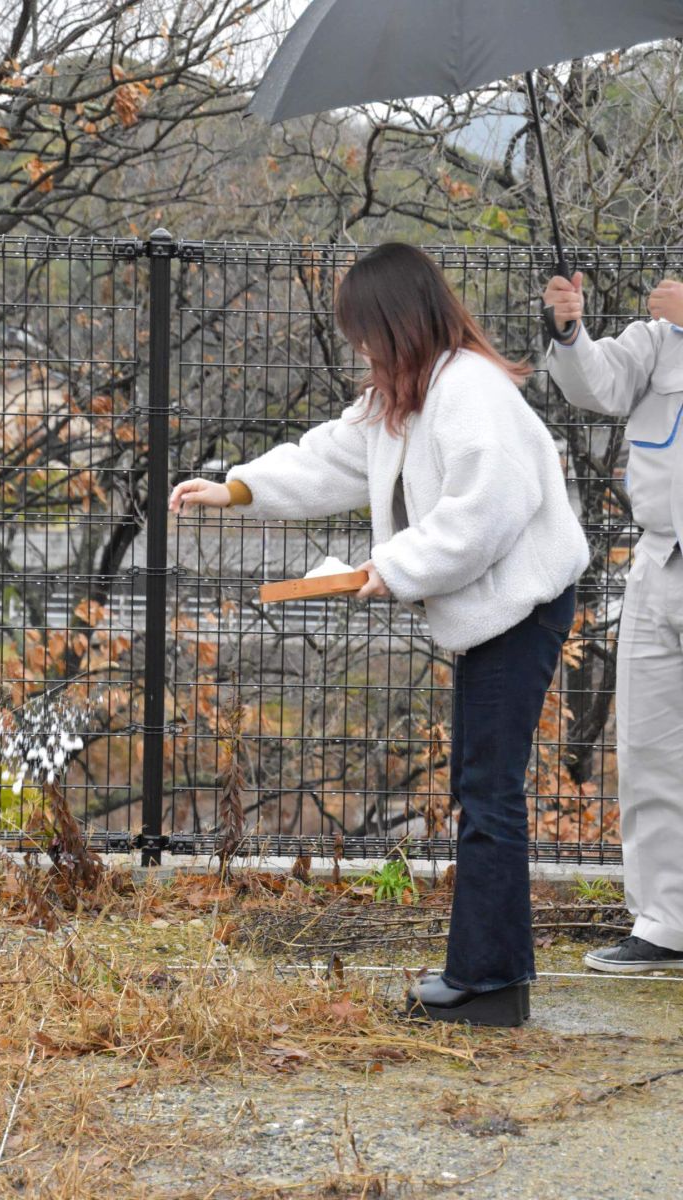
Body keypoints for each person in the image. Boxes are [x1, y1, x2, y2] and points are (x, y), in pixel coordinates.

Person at [170, 243, 589, 1026]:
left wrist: (393, 566)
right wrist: (238, 488)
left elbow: (484, 515)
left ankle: (490, 985)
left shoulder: (470, 393)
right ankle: (488, 975)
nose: (359, 348)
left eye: (364, 331)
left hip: (522, 608)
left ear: (399, 322)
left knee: (487, 794)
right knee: (483, 789)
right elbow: (332, 455)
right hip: (493, 610)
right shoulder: (407, 392)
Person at [543, 271, 683, 974]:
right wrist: (570, 330)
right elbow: (594, 384)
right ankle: (666, 924)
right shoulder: (657, 340)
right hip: (660, 562)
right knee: (651, 747)